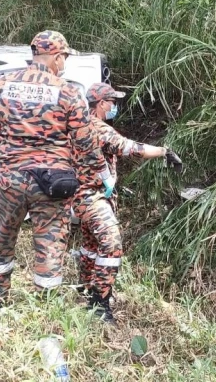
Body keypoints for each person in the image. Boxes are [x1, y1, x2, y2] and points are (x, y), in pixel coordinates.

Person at [0, 30, 113, 308]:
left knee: (1, 239)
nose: (64, 64)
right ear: (56, 56)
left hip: (10, 180)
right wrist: (103, 175)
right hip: (53, 184)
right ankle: (46, 307)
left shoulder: (0, 86)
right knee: (50, 246)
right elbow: (86, 143)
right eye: (64, 58)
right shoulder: (68, 92)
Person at [74, 82, 183, 323]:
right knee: (111, 244)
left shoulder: (79, 125)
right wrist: (164, 151)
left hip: (80, 198)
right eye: (112, 102)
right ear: (102, 104)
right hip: (93, 198)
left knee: (91, 247)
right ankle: (99, 305)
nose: (115, 107)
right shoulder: (99, 128)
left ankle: (86, 290)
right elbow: (131, 148)